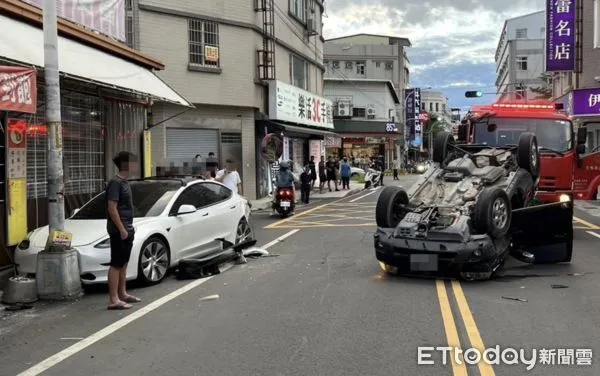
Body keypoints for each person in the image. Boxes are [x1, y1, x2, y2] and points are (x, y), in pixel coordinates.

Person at [106, 151, 140, 310]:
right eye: (134, 162)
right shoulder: (115, 183)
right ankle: (114, 299)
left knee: (124, 263)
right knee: (116, 263)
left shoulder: (125, 182)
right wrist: (121, 229)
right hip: (119, 229)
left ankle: (123, 293)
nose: (136, 165)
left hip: (128, 226)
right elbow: (112, 208)